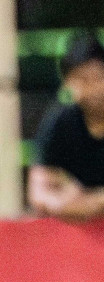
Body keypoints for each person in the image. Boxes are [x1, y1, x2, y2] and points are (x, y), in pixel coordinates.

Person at [30, 30, 104, 220]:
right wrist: (87, 203)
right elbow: (39, 194)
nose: (94, 88)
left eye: (98, 77)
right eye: (82, 79)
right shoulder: (60, 123)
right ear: (66, 83)